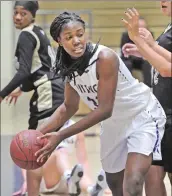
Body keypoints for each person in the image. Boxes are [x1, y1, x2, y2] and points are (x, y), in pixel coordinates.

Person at [33, 11, 166, 196]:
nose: (77, 40)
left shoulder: (104, 57)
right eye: (69, 37)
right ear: (59, 40)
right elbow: (68, 107)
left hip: (142, 115)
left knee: (134, 181)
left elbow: (104, 110)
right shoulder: (67, 66)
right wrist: (37, 135)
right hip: (113, 124)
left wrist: (60, 136)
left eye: (80, 34)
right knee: (114, 183)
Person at [0, 2, 107, 196]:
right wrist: (21, 89)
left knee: (36, 144)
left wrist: (3, 93)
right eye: (15, 13)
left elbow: (24, 71)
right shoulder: (39, 32)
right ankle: (84, 185)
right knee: (47, 144)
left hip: (48, 95)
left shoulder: (26, 34)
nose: (17, 17)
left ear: (32, 15)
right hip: (56, 89)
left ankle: (56, 182)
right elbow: (38, 69)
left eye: (22, 14)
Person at [122, 3, 172, 196]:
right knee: (153, 172)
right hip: (161, 111)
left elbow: (167, 69)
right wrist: (145, 48)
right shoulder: (169, 26)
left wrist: (140, 42)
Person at [120, 17, 152, 87]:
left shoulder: (149, 35)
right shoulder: (126, 35)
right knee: (127, 64)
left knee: (147, 63)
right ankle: (128, 86)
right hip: (130, 59)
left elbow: (151, 50)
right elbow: (124, 52)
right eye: (139, 27)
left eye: (144, 27)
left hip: (143, 59)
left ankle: (149, 86)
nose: (141, 29)